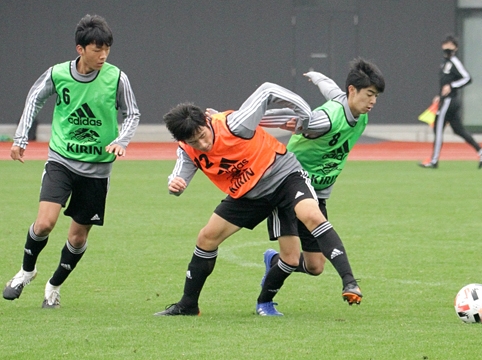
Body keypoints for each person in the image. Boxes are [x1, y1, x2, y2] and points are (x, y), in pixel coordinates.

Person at [155, 83, 362, 317]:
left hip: (283, 176)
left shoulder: (234, 125)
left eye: (202, 136)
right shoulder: (187, 149)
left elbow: (267, 90)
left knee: (311, 218)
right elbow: (178, 178)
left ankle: (349, 282)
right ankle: (188, 304)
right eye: (194, 142)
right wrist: (175, 185)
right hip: (249, 194)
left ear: (206, 121)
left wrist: (305, 113)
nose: (202, 145)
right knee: (207, 237)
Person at [3, 14, 140, 309]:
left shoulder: (117, 78)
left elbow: (133, 114)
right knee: (44, 224)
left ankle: (53, 287)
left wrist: (121, 141)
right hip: (61, 160)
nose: (103, 55)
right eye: (96, 49)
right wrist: (20, 139)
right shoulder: (58, 74)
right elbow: (34, 99)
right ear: (80, 49)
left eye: (107, 49)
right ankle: (27, 272)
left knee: (77, 238)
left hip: (97, 169)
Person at [256, 58, 385, 315]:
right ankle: (264, 303)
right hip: (287, 186)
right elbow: (290, 119)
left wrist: (317, 77)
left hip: (318, 193)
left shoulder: (357, 112)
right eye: (369, 94)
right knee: (291, 259)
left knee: (315, 266)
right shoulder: (325, 120)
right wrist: (234, 120)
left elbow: (333, 90)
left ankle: (273, 260)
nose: (372, 101)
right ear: (353, 91)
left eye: (376, 96)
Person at [419, 34, 482, 169]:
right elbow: (445, 82)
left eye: (451, 45)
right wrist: (439, 95)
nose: (447, 48)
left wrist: (452, 86)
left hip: (449, 101)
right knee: (458, 130)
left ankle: (434, 160)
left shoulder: (454, 62)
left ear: (455, 48)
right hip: (446, 100)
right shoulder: (445, 62)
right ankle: (481, 151)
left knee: (438, 128)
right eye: (446, 44)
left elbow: (467, 78)